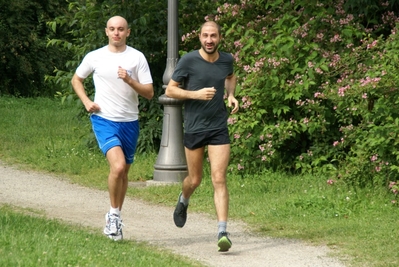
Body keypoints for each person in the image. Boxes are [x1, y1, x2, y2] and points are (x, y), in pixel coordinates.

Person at [71, 16, 154, 241]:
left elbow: (149, 93)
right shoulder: (95, 56)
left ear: (128, 32)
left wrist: (129, 80)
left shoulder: (137, 58)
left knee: (124, 172)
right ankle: (113, 215)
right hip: (103, 118)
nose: (116, 33)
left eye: (120, 29)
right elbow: (76, 79)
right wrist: (87, 102)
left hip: (130, 121)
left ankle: (116, 215)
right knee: (117, 168)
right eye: (112, 29)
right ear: (106, 32)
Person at [165, 21, 239, 252]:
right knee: (194, 180)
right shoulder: (188, 61)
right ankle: (183, 200)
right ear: (199, 37)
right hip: (195, 127)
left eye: (213, 36)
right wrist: (195, 94)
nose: (209, 40)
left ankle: (222, 231)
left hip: (218, 126)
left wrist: (231, 95)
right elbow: (170, 89)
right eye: (206, 36)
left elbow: (230, 76)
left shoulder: (226, 59)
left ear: (219, 37)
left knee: (219, 178)